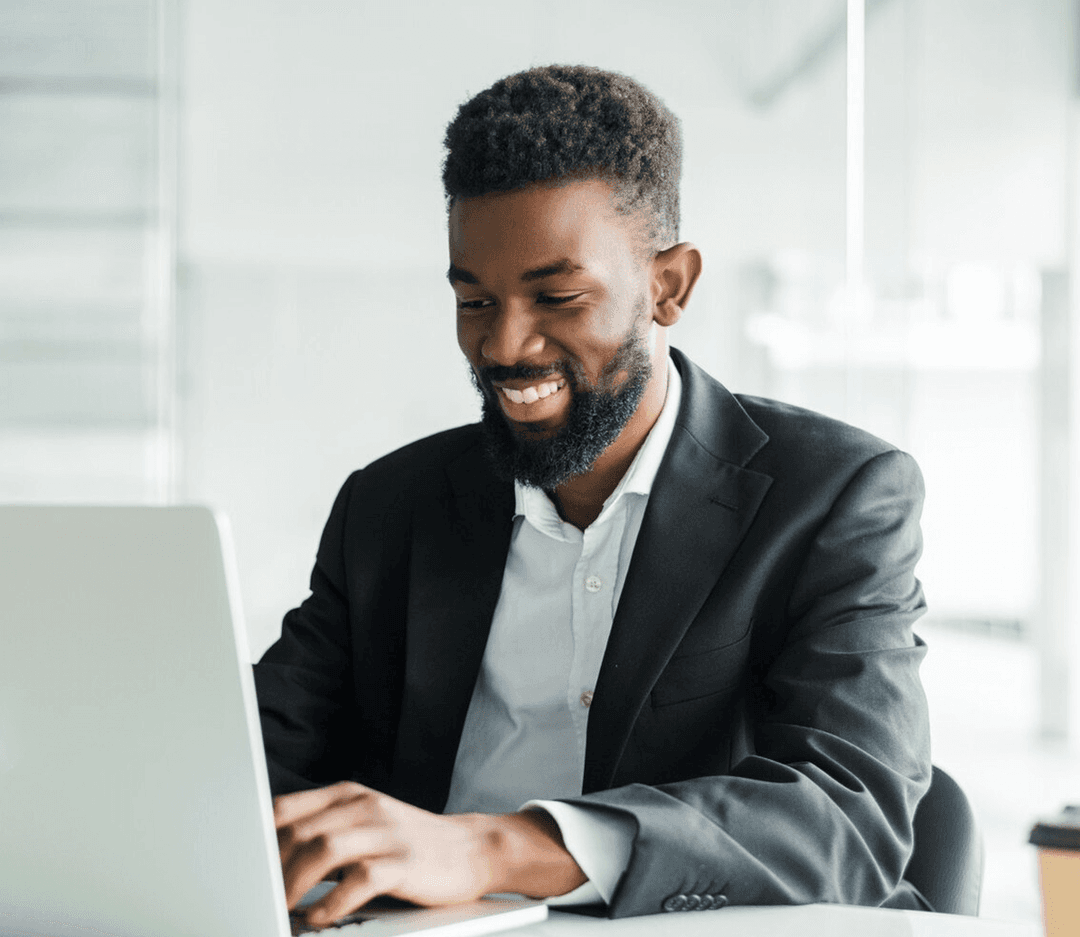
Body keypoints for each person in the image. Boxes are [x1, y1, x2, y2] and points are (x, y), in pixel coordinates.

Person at [255, 64, 931, 925]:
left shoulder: (835, 496)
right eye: (474, 298)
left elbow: (848, 816)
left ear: (669, 286)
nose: (503, 344)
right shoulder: (390, 506)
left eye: (558, 296)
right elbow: (260, 759)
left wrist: (492, 847)